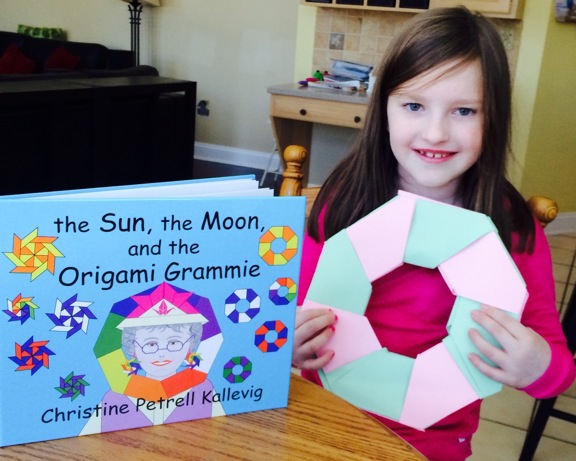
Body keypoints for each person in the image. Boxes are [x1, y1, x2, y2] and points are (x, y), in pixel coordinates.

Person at [292, 6, 576, 461]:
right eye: (414, 105)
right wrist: (286, 341)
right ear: (383, 109)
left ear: (494, 119)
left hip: (432, 443)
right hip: (322, 420)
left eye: (464, 110)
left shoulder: (513, 230)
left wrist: (536, 367)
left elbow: (557, 370)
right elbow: (287, 314)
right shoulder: (344, 202)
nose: (436, 132)